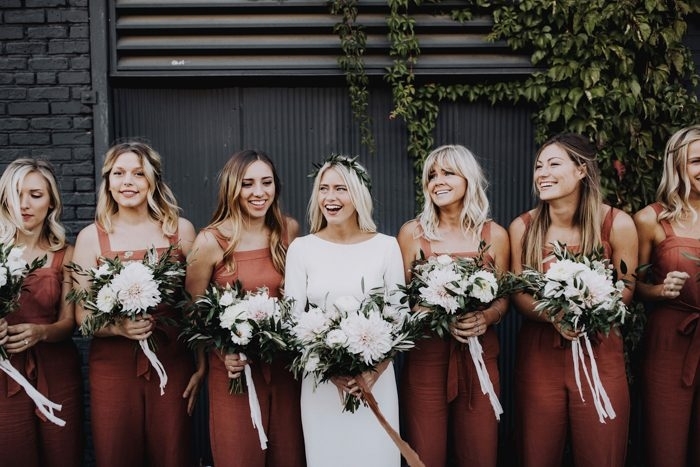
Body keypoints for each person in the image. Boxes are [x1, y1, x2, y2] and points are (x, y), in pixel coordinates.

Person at [508, 133, 637, 467]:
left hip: (600, 353)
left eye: (553, 164)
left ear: (582, 170)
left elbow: (626, 286)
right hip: (539, 358)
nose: (542, 173)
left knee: (601, 453)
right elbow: (519, 293)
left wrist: (590, 308)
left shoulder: (618, 224)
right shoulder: (523, 227)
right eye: (538, 166)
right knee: (537, 454)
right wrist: (552, 316)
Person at [71, 141, 201, 467]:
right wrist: (118, 327)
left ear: (152, 180)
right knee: (116, 453)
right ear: (108, 181)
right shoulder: (91, 237)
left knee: (173, 452)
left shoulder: (180, 232)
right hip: (113, 369)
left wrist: (202, 365)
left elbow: (194, 307)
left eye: (138, 174)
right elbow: (81, 315)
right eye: (119, 173)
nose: (127, 182)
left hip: (171, 362)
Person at [185, 149, 305, 467]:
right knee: (238, 456)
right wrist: (220, 349)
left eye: (266, 182)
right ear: (232, 188)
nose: (258, 192)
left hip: (285, 369)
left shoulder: (288, 230)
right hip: (234, 372)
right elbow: (193, 310)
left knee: (289, 456)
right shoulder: (210, 241)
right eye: (248, 183)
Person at [284, 155, 404, 467]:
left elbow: (399, 317)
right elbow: (291, 320)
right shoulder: (302, 249)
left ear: (358, 194)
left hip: (377, 381)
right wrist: (332, 372)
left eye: (341, 189)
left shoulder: (386, 247)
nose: (330, 198)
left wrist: (372, 373)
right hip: (321, 386)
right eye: (323, 189)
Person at [397, 144, 509, 467]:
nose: (438, 181)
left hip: (480, 357)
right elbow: (399, 299)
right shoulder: (411, 233)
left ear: (468, 179)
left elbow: (505, 296)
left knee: (479, 453)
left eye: (448, 173)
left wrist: (486, 316)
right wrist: (424, 312)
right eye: (431, 175)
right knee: (424, 455)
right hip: (426, 361)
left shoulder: (495, 235)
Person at [0, 159, 82, 467]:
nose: (24, 204)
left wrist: (41, 332)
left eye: (35, 194)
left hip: (56, 368)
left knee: (64, 453)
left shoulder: (66, 253)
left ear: (51, 203)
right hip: (4, 372)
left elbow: (69, 321)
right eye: (17, 193)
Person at [634, 124, 700, 467]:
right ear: (677, 166)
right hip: (670, 339)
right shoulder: (650, 219)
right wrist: (660, 290)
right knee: (666, 444)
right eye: (697, 161)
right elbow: (631, 286)